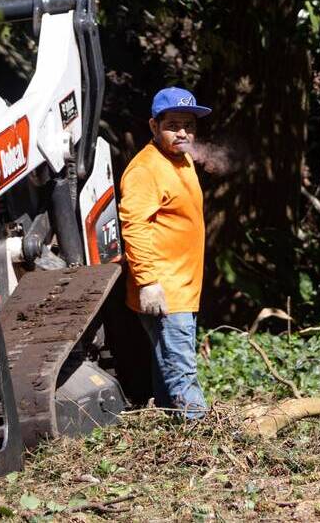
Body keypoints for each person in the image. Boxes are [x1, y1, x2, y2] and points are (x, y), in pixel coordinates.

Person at [120, 86, 212, 420]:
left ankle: (171, 441)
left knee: (166, 369)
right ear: (154, 126)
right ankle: (205, 445)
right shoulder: (145, 169)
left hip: (182, 287)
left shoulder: (182, 158)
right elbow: (134, 226)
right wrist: (148, 282)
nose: (183, 132)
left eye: (189, 124)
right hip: (165, 289)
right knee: (181, 373)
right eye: (174, 124)